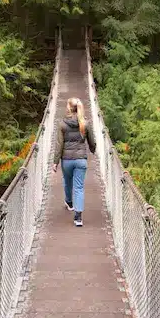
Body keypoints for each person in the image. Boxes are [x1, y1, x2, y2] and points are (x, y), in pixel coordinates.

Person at [52, 97, 96, 227]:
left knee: (67, 181)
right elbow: (92, 142)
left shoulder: (62, 124)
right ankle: (78, 217)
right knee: (79, 187)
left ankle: (69, 202)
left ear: (69, 108)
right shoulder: (85, 123)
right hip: (81, 160)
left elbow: (59, 144)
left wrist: (55, 162)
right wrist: (93, 150)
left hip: (67, 160)